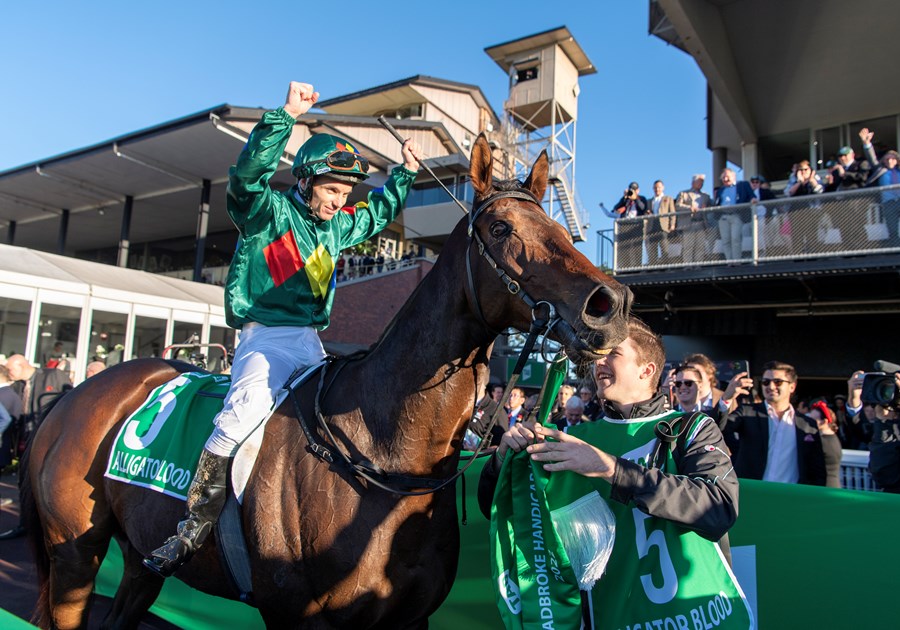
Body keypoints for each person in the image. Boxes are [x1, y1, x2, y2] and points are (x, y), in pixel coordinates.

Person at [143, 81, 421, 577]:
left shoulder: (337, 226)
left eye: (345, 192)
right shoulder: (266, 211)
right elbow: (248, 174)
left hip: (311, 344)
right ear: (306, 180)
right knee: (241, 413)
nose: (340, 200)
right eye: (332, 189)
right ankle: (192, 528)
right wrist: (285, 118)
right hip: (264, 338)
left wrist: (405, 172)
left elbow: (378, 212)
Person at [478, 318, 747, 627]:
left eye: (613, 353)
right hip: (607, 615)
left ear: (646, 370)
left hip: (693, 616)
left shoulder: (693, 428)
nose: (599, 362)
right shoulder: (577, 436)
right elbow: (507, 509)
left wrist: (611, 469)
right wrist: (502, 461)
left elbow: (719, 507)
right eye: (597, 355)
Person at [719, 361, 827, 485]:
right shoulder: (747, 412)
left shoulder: (808, 425)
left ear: (792, 386)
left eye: (778, 382)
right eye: (765, 382)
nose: (770, 386)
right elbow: (719, 429)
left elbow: (817, 469)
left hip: (792, 496)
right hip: (752, 493)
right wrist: (726, 398)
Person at [0, 354, 73, 539]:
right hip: (24, 443)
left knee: (49, 486)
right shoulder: (17, 386)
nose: (8, 373)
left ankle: (52, 528)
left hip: (49, 442)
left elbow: (69, 402)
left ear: (21, 365)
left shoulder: (53, 376)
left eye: (10, 369)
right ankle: (24, 524)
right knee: (24, 484)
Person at [712, 168, 754, 261]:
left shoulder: (742, 185)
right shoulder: (721, 190)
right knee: (726, 240)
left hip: (736, 215)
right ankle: (729, 261)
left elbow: (751, 196)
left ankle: (736, 261)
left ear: (733, 176)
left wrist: (753, 200)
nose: (725, 179)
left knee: (736, 238)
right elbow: (718, 202)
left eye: (727, 177)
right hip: (723, 217)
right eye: (723, 178)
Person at [604, 182, 649, 266]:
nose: (632, 191)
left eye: (634, 190)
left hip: (636, 225)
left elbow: (643, 208)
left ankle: (636, 267)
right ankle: (624, 266)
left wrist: (635, 199)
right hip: (625, 225)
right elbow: (615, 208)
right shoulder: (626, 199)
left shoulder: (642, 198)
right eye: (631, 189)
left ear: (638, 190)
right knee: (624, 247)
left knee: (637, 247)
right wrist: (624, 198)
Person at [674, 174, 712, 263]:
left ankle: (698, 265)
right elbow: (677, 205)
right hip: (688, 223)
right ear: (693, 182)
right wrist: (689, 208)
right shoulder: (684, 193)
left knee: (700, 246)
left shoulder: (705, 196)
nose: (701, 183)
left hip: (701, 223)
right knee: (688, 246)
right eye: (699, 181)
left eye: (702, 182)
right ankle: (688, 266)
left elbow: (712, 206)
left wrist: (706, 207)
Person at [808, 399, 842, 488]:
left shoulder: (824, 441)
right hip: (832, 485)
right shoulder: (833, 438)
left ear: (824, 421)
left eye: (813, 420)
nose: (809, 423)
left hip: (826, 487)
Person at [645, 180, 677, 263]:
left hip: (663, 225)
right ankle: (653, 266)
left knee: (664, 247)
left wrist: (672, 224)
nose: (657, 189)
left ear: (663, 188)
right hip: (652, 225)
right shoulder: (650, 201)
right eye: (655, 188)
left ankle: (666, 266)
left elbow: (672, 212)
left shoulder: (668, 198)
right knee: (652, 248)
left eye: (659, 187)